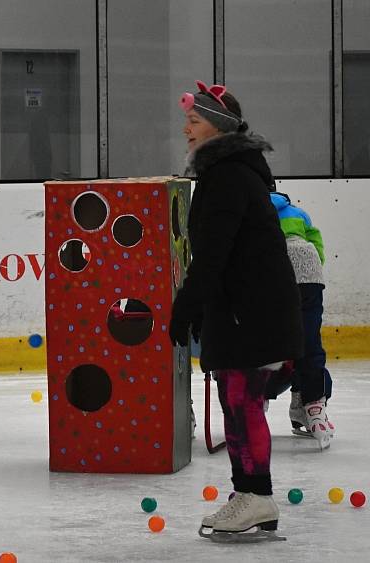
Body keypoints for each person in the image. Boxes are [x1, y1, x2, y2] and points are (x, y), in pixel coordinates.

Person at [169, 81, 303, 542]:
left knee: (243, 405)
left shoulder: (226, 176)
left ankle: (256, 497)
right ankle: (250, 494)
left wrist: (186, 305)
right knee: (237, 403)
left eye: (194, 121)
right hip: (249, 310)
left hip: (253, 314)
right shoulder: (230, 172)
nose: (185, 129)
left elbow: (212, 253)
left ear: (219, 130)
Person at [264, 192, 334, 449]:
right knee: (308, 341)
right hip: (310, 271)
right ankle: (312, 403)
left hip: (275, 271)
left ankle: (256, 399)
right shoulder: (297, 212)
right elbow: (317, 244)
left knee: (265, 343)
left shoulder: (250, 207)